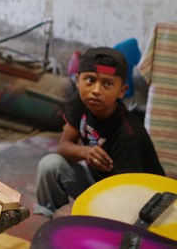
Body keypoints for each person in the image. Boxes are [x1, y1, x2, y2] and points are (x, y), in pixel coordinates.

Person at [34, 47, 165, 218]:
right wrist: (85, 152)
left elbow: (128, 196)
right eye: (90, 80)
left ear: (122, 91)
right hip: (100, 182)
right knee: (50, 164)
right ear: (78, 81)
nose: (96, 90)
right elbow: (63, 146)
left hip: (141, 203)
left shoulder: (127, 134)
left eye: (107, 84)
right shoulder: (83, 103)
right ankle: (50, 219)